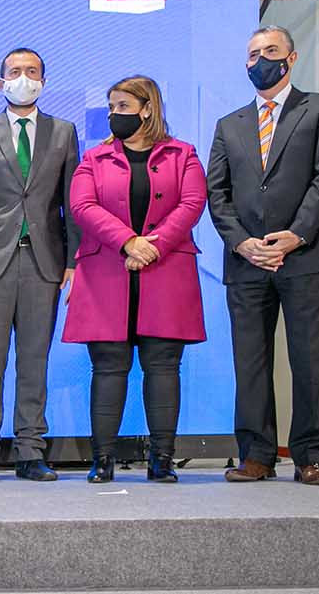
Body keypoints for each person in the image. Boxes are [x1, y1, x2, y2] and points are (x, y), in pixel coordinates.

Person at [208, 26, 319, 486]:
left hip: (306, 257)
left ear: (291, 57)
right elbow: (217, 193)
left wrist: (296, 235)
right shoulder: (229, 124)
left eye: (270, 51)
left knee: (310, 360)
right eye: (253, 54)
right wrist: (241, 242)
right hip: (247, 262)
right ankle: (256, 455)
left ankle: (310, 456)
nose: (260, 60)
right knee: (250, 362)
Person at [61, 75, 208, 483]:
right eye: (111, 107)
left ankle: (162, 459)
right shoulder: (94, 159)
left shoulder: (183, 154)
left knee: (163, 367)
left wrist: (152, 247)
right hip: (106, 273)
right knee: (108, 366)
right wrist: (128, 242)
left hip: (166, 271)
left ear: (147, 109)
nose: (114, 114)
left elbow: (193, 202)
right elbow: (82, 206)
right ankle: (102, 459)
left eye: (123, 106)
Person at [0, 48, 80, 483]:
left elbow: (71, 202)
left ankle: (31, 450)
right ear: (0, 82)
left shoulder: (63, 132)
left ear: (43, 81)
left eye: (31, 72)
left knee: (34, 361)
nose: (23, 78)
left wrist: (72, 261)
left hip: (44, 261)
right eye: (15, 72)